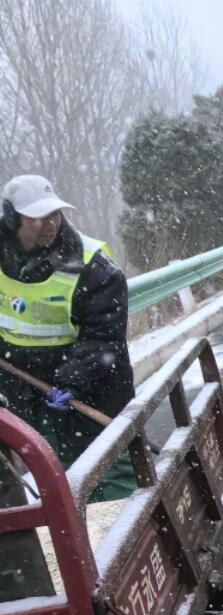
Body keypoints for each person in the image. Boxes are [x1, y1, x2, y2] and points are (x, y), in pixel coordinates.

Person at [0, 175, 136, 502]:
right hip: (27, 390)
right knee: (58, 476)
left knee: (108, 471)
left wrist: (72, 380)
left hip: (92, 389)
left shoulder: (92, 268)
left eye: (55, 215)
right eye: (38, 218)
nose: (50, 224)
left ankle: (126, 538)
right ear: (11, 220)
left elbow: (104, 339)